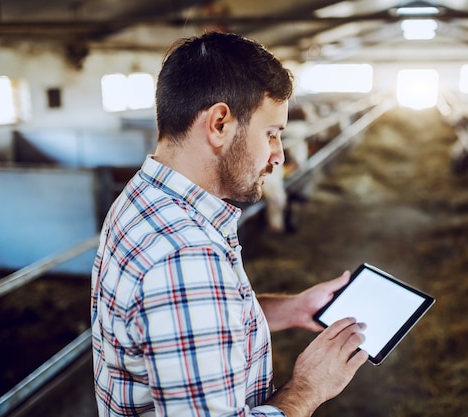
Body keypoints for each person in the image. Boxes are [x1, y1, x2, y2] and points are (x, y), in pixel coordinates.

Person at [91, 31, 368, 417]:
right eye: (271, 134)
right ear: (220, 123)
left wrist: (292, 308)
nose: (277, 156)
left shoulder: (145, 199)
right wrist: (307, 388)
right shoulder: (186, 257)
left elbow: (190, 328)